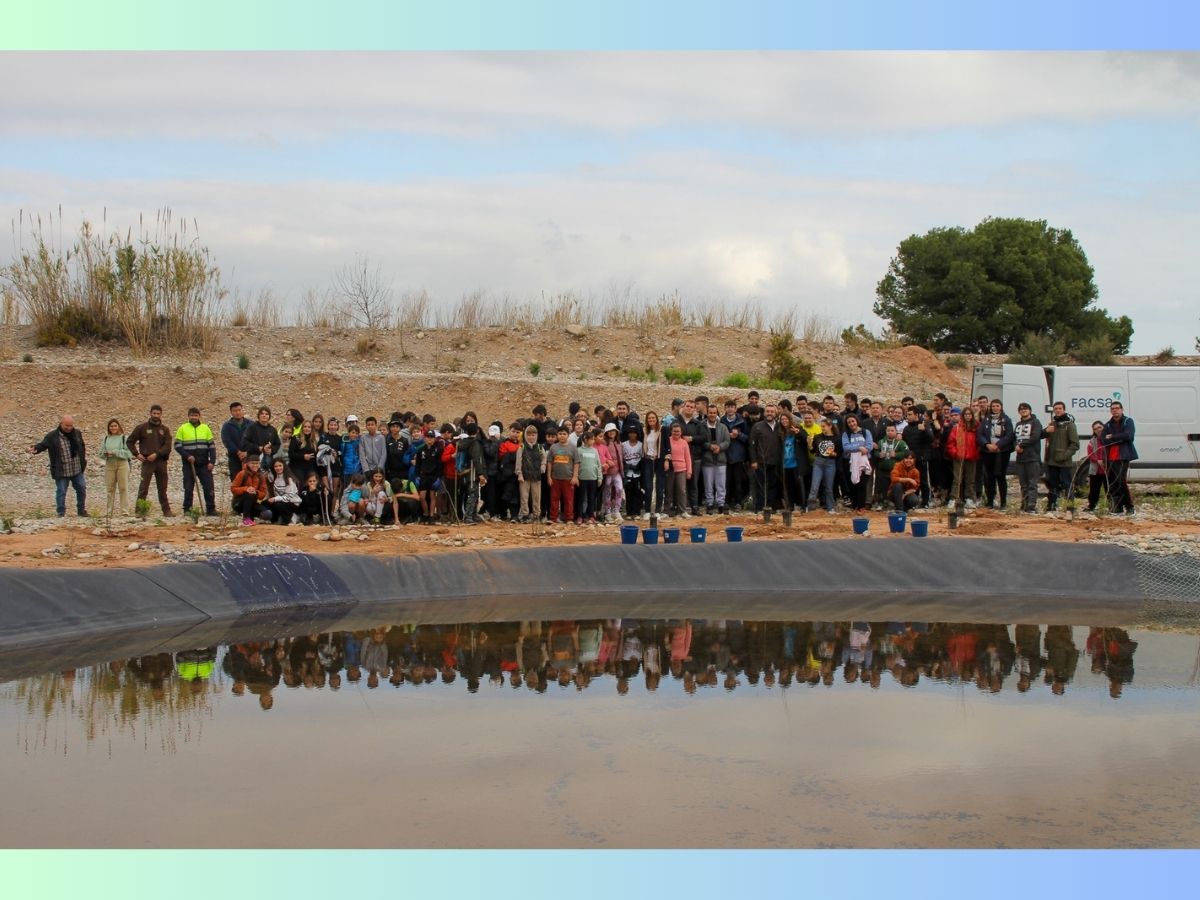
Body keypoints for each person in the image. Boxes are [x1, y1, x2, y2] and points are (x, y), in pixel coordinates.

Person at [29, 414, 88, 517]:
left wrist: (83, 460)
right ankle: (61, 513)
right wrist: (36, 449)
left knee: (82, 488)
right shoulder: (52, 436)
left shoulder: (77, 433)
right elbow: (43, 445)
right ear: (61, 424)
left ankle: (81, 511)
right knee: (61, 491)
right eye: (66, 426)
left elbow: (82, 446)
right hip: (62, 470)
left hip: (76, 469)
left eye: (71, 425)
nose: (69, 428)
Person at [127, 404, 174, 516]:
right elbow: (129, 441)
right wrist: (136, 454)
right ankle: (140, 511)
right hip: (147, 462)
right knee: (143, 487)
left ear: (161, 414)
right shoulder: (142, 428)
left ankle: (166, 511)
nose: (156, 415)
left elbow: (168, 446)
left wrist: (157, 454)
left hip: (161, 462)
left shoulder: (165, 429)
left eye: (158, 413)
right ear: (150, 413)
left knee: (162, 488)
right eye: (154, 413)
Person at [174, 407, 217, 517]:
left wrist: (212, 461)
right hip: (189, 464)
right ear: (188, 416)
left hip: (204, 463)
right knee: (188, 487)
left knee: (209, 487)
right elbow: (177, 445)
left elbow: (212, 446)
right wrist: (187, 456)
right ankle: (188, 510)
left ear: (199, 416)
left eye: (196, 415)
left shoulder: (205, 428)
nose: (194, 417)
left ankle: (211, 509)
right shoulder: (182, 428)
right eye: (192, 415)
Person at [1100, 401, 1137, 514]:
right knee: (1112, 483)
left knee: (1121, 481)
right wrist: (1117, 438)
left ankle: (1129, 507)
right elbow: (1104, 439)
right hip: (1110, 457)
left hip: (1122, 456)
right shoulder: (1108, 425)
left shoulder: (1128, 421)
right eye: (1113, 408)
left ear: (1122, 409)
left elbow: (1128, 436)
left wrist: (1113, 437)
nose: (1115, 410)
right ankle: (1117, 507)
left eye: (1117, 408)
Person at [1043, 401, 1080, 512]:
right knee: (1052, 484)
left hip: (1064, 462)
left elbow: (1075, 444)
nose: (1058, 410)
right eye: (1056, 408)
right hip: (1052, 461)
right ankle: (1051, 506)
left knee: (1067, 484)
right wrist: (1046, 430)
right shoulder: (1052, 424)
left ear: (1064, 409)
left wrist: (1064, 455)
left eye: (1060, 408)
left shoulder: (1070, 425)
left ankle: (1070, 507)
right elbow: (1043, 436)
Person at [977, 399, 1014, 509]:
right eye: (993, 406)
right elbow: (980, 434)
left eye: (997, 406)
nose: (995, 408)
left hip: (1002, 451)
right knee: (990, 477)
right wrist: (987, 444)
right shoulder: (986, 419)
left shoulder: (1006, 420)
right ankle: (990, 502)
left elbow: (1009, 435)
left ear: (1001, 407)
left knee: (1001, 477)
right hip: (988, 451)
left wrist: (998, 445)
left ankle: (1003, 502)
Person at [749, 402, 783, 513]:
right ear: (764, 413)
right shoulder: (757, 426)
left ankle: (770, 507)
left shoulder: (780, 426)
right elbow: (752, 445)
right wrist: (753, 460)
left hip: (775, 462)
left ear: (776, 413)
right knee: (761, 485)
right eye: (768, 411)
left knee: (773, 485)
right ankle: (760, 508)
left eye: (772, 411)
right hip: (761, 461)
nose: (770, 413)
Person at [945, 406, 980, 509]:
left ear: (972, 416)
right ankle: (953, 498)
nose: (968, 416)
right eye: (966, 414)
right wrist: (955, 453)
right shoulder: (957, 428)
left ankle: (969, 498)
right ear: (962, 416)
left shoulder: (976, 428)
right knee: (957, 479)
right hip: (959, 457)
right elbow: (950, 443)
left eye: (969, 414)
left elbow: (979, 442)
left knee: (970, 479)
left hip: (972, 457)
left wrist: (976, 453)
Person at [1012, 402, 1044, 514]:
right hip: (1021, 458)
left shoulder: (1036, 422)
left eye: (1025, 409)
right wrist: (1016, 446)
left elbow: (1035, 437)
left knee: (1032, 483)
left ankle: (1031, 506)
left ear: (1030, 410)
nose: (1023, 410)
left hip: (1032, 457)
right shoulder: (1018, 424)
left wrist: (1021, 445)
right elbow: (1014, 437)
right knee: (1023, 484)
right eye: (1021, 409)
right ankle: (1024, 504)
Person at [700, 405, 731, 514]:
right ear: (707, 413)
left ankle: (721, 504)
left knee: (721, 483)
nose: (712, 415)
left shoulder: (723, 427)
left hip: (721, 459)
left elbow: (727, 441)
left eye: (714, 413)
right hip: (707, 459)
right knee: (708, 483)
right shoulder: (702, 426)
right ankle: (709, 504)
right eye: (710, 412)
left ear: (717, 414)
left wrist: (720, 447)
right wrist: (709, 446)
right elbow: (700, 440)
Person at [99, 418, 132, 517]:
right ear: (109, 428)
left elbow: (129, 453)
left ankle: (125, 511)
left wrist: (115, 452)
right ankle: (109, 512)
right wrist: (105, 454)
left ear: (119, 426)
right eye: (111, 426)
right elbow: (100, 453)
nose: (113, 428)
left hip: (122, 464)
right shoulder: (106, 439)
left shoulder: (124, 438)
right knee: (110, 489)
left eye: (115, 426)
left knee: (123, 488)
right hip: (109, 464)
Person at [807, 418, 839, 514]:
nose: (822, 428)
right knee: (814, 486)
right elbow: (813, 451)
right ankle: (810, 508)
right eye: (821, 426)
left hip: (830, 462)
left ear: (830, 426)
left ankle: (830, 508)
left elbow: (839, 453)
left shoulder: (836, 438)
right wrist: (809, 444)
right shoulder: (817, 437)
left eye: (824, 426)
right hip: (818, 462)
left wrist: (834, 454)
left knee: (829, 487)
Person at [515, 424, 546, 523]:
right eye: (529, 435)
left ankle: (536, 515)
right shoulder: (522, 447)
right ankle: (524, 515)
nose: (531, 437)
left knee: (537, 497)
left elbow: (544, 458)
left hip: (536, 476)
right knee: (524, 497)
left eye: (533, 435)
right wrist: (519, 473)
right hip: (525, 476)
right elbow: (518, 461)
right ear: (525, 436)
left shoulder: (540, 447)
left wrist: (543, 466)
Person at [230, 453, 270, 525]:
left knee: (267, 514)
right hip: (238, 503)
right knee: (249, 494)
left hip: (252, 503)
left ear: (259, 464)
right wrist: (246, 489)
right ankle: (246, 518)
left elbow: (263, 494)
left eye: (257, 463)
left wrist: (256, 492)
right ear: (248, 464)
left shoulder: (261, 476)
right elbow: (233, 488)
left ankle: (250, 516)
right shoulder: (242, 474)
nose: (255, 465)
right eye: (252, 463)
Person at [220, 401, 250, 483]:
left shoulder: (250, 424)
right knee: (236, 480)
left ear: (242, 410)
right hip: (234, 457)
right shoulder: (227, 426)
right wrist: (238, 452)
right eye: (235, 411)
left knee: (249, 480)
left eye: (239, 410)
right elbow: (227, 441)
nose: (238, 412)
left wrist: (247, 452)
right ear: (231, 412)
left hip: (249, 457)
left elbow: (255, 439)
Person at [1084, 420, 1108, 512]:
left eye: (1099, 427)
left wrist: (1105, 461)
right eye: (1095, 429)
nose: (1097, 430)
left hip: (1107, 469)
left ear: (1103, 427)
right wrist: (1098, 460)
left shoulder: (1108, 439)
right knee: (1094, 489)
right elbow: (1090, 453)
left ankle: (1112, 505)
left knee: (1108, 489)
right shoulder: (1092, 441)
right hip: (1095, 469)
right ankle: (1092, 506)